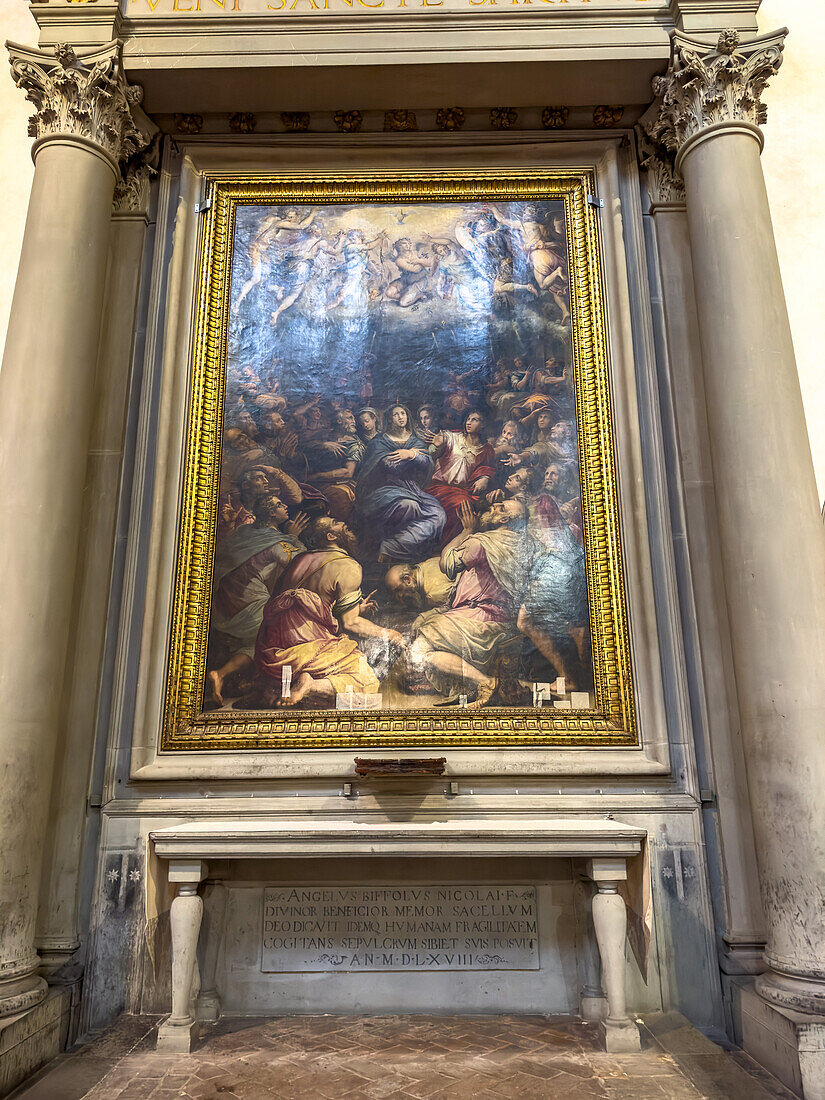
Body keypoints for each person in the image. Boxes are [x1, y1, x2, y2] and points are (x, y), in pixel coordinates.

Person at [254, 516, 403, 707]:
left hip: (273, 649)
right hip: (306, 645)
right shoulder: (348, 565)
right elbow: (351, 623)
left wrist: (356, 608)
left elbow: (304, 606)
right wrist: (388, 633)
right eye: (336, 522)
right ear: (331, 536)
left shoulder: (301, 559)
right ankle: (311, 685)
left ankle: (299, 682)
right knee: (366, 681)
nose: (343, 523)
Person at [409, 499, 528, 708]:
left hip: (477, 619)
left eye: (501, 507)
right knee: (424, 625)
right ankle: (469, 688)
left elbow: (447, 565)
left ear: (504, 519)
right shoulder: (521, 545)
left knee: (419, 650)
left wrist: (466, 530)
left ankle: (485, 683)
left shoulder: (481, 542)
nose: (494, 506)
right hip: (502, 619)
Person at [206, 494, 310, 705]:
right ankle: (279, 687)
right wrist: (294, 537)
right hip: (248, 607)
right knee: (284, 630)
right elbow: (303, 564)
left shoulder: (243, 532)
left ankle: (221, 675)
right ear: (272, 513)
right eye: (280, 505)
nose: (285, 506)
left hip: (222, 605)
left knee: (259, 638)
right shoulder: (277, 543)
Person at [355, 405, 446, 563]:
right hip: (384, 488)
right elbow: (390, 466)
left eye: (403, 413)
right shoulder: (378, 442)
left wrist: (411, 454)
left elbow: (427, 463)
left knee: (439, 515)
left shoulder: (415, 441)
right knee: (409, 506)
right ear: (389, 419)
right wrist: (415, 456)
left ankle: (395, 545)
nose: (400, 417)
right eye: (396, 414)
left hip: (412, 488)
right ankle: (388, 552)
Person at [423, 409, 496, 543]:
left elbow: (487, 468)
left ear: (483, 424)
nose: (469, 422)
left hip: (463, 491)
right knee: (461, 506)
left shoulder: (486, 449)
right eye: (468, 419)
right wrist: (436, 446)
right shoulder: (451, 437)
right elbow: (433, 452)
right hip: (440, 488)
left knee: (466, 508)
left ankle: (448, 546)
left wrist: (485, 478)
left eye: (474, 420)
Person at [384, 558, 456, 611]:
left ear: (408, 580)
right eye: (394, 593)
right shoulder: (425, 564)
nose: (399, 596)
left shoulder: (433, 595)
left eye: (398, 590)